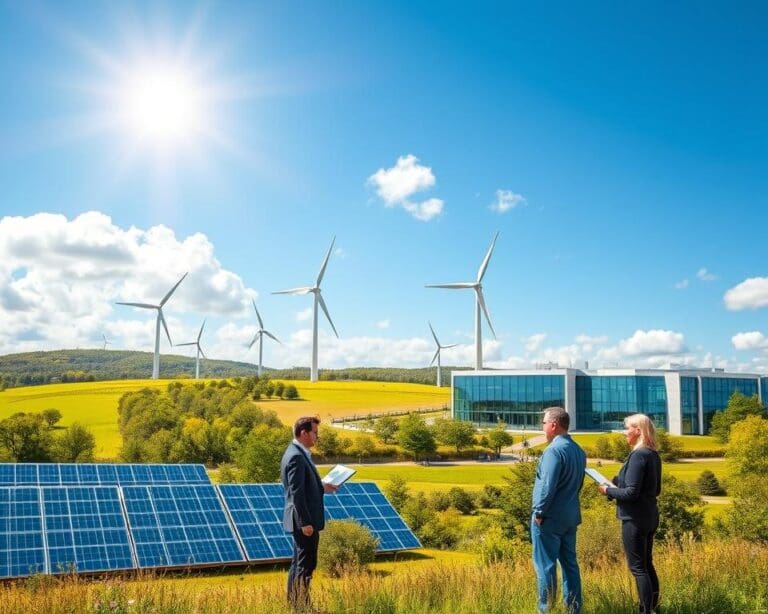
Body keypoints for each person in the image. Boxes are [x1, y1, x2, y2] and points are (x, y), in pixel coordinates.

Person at [598, 413, 662, 614]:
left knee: (638, 568)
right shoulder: (653, 454)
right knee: (647, 564)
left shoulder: (638, 455)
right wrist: (618, 483)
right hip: (650, 516)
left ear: (638, 431)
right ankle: (653, 608)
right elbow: (652, 489)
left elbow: (631, 493)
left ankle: (645, 610)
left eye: (628, 428)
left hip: (634, 519)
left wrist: (608, 490)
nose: (625, 432)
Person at [531, 406, 587, 614]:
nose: (542, 427)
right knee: (570, 565)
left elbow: (547, 485)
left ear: (553, 425)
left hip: (549, 518)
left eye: (544, 423)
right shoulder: (578, 451)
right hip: (570, 516)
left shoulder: (553, 451)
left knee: (545, 566)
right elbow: (578, 484)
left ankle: (546, 610)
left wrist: (539, 512)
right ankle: (574, 609)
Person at [281, 416, 338, 610]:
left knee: (298, 563)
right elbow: (296, 492)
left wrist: (322, 487)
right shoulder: (297, 456)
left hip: (301, 520)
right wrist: (305, 522)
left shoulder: (297, 452)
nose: (317, 436)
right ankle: (302, 607)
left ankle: (295, 605)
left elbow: (303, 486)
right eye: (315, 432)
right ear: (303, 433)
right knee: (306, 565)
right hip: (303, 522)